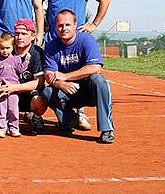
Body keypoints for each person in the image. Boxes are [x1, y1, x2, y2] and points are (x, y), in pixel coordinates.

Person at [41, 0, 111, 130]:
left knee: (89, 76)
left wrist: (94, 24)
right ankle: (67, 116)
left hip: (75, 40)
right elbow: (36, 6)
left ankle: (82, 114)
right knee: (50, 83)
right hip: (54, 42)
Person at [41, 9, 115, 143]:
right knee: (47, 91)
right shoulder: (51, 46)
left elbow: (95, 68)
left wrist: (66, 77)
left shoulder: (86, 40)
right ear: (55, 27)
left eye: (67, 25)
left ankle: (107, 129)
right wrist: (61, 84)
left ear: (75, 25)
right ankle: (69, 120)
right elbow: (49, 74)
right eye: (60, 25)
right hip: (68, 91)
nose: (64, 28)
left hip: (88, 90)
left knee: (99, 80)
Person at [0, 19, 47, 135]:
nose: (19, 37)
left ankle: (35, 118)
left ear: (32, 36)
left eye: (24, 34)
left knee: (41, 97)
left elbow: (39, 82)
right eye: (17, 34)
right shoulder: (4, 50)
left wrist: (14, 88)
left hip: (26, 93)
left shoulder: (36, 53)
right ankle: (2, 119)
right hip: (4, 90)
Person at [0, 33, 30, 138]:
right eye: (2, 48)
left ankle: (14, 128)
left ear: (13, 47)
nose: (4, 50)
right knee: (0, 109)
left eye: (7, 48)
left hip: (13, 89)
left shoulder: (16, 59)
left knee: (13, 109)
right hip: (0, 88)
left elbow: (21, 70)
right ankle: (1, 128)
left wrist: (27, 61)